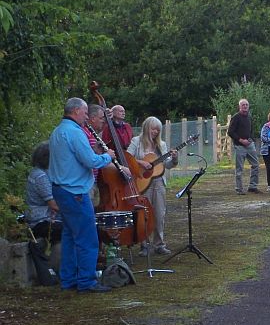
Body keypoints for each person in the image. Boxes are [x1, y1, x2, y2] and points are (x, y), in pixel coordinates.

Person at [48, 97, 116, 293]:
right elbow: (90, 161)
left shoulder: (57, 131)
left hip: (60, 189)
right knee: (87, 237)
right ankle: (87, 281)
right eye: (85, 112)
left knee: (70, 236)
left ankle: (68, 280)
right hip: (75, 191)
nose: (87, 116)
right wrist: (107, 156)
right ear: (76, 111)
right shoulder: (75, 133)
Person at [127, 117, 178, 255]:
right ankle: (144, 245)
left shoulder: (161, 145)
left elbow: (167, 165)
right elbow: (127, 158)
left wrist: (174, 159)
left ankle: (159, 244)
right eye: (153, 128)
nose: (155, 132)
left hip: (159, 182)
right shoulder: (136, 142)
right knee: (143, 213)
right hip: (142, 182)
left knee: (159, 214)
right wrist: (141, 163)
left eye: (158, 129)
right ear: (146, 127)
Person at [25, 141, 62, 244]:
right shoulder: (40, 176)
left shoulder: (39, 172)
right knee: (73, 227)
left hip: (45, 219)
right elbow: (53, 205)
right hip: (40, 222)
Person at [227, 98, 260, 194]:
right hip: (239, 146)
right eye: (243, 105)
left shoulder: (249, 117)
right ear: (239, 106)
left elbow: (251, 130)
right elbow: (230, 132)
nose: (245, 106)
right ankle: (239, 189)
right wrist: (241, 140)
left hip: (249, 145)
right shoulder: (236, 117)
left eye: (246, 105)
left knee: (255, 164)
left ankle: (253, 186)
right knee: (239, 168)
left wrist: (251, 139)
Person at [83, 104, 107, 206]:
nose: (103, 121)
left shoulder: (93, 134)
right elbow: (86, 158)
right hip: (87, 183)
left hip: (94, 181)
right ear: (92, 118)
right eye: (101, 118)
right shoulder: (83, 133)